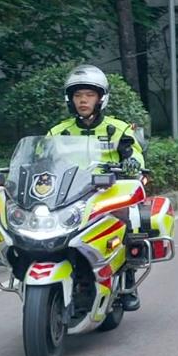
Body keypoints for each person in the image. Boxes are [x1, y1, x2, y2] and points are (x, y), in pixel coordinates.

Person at [48, 64, 146, 311]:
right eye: (78, 95)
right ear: (70, 99)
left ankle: (128, 281)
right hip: (68, 196)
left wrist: (133, 162)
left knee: (128, 220)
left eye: (89, 95)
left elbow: (133, 152)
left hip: (107, 194)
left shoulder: (119, 129)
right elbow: (42, 160)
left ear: (101, 98)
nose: (83, 100)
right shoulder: (58, 132)